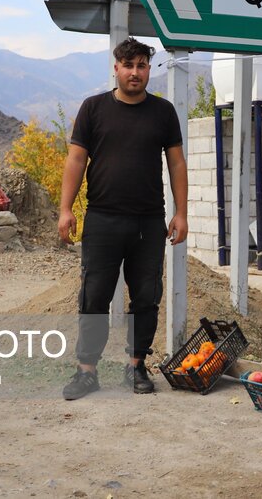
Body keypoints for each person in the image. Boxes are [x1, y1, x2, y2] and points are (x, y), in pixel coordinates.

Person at [58, 37, 188, 399]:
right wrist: (66, 209)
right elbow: (75, 161)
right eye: (128, 66)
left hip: (148, 221)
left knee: (147, 296)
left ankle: (136, 367)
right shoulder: (93, 108)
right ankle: (86, 372)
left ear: (149, 69)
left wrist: (181, 212)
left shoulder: (163, 112)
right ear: (116, 69)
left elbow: (176, 162)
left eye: (141, 66)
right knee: (94, 295)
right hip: (102, 219)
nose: (135, 72)